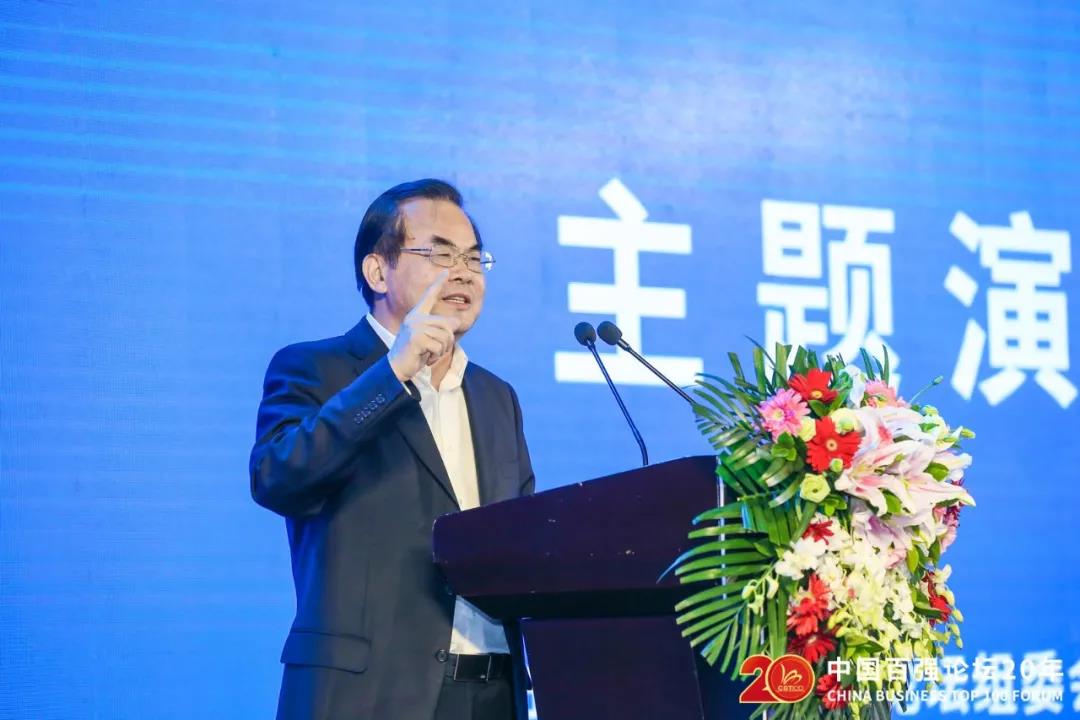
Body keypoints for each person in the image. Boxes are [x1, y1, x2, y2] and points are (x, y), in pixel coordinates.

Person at [249, 179, 535, 720]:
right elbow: (278, 478)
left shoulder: (497, 397)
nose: (464, 273)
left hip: (492, 695)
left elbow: (519, 534)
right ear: (377, 272)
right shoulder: (316, 369)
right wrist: (394, 372)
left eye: (474, 258)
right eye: (440, 254)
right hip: (368, 695)